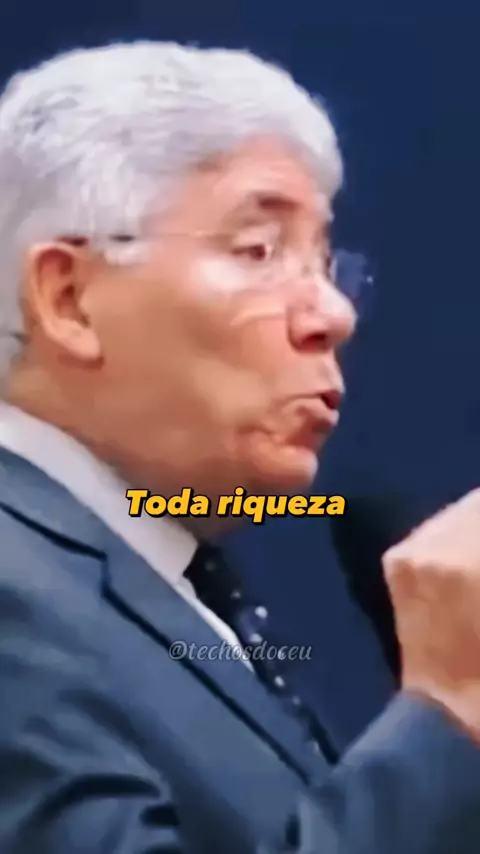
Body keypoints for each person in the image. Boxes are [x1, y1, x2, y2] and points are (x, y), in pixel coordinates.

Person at [0, 41, 479, 854]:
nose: (333, 314)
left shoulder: (164, 581)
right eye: (258, 250)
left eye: (325, 263)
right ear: (69, 298)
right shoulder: (18, 583)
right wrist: (451, 708)